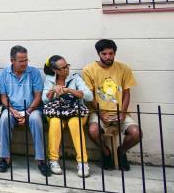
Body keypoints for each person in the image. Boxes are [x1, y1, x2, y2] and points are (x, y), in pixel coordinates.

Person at [83, 39, 141, 171]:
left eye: (111, 53)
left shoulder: (124, 69)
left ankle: (120, 152)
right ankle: (106, 152)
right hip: (98, 111)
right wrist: (100, 113)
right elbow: (89, 95)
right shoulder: (88, 70)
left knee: (136, 133)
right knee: (93, 131)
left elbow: (127, 93)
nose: (108, 57)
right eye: (104, 54)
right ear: (98, 54)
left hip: (120, 111)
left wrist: (123, 112)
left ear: (115, 53)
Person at [0, 45, 50, 177]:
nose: (25, 63)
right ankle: (5, 158)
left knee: (36, 120)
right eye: (21, 61)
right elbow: (3, 97)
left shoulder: (34, 72)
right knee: (4, 119)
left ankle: (41, 160)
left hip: (32, 108)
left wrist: (27, 112)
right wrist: (13, 111)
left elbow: (38, 96)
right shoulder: (3, 74)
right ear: (12, 61)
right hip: (12, 108)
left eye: (26, 60)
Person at [43, 55, 93, 178]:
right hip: (56, 112)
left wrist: (69, 90)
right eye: (62, 68)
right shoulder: (49, 79)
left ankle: (82, 162)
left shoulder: (75, 78)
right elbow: (45, 100)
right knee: (55, 123)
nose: (66, 69)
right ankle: (53, 160)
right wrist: (53, 90)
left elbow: (89, 96)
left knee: (74, 123)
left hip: (76, 111)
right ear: (55, 70)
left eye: (67, 66)